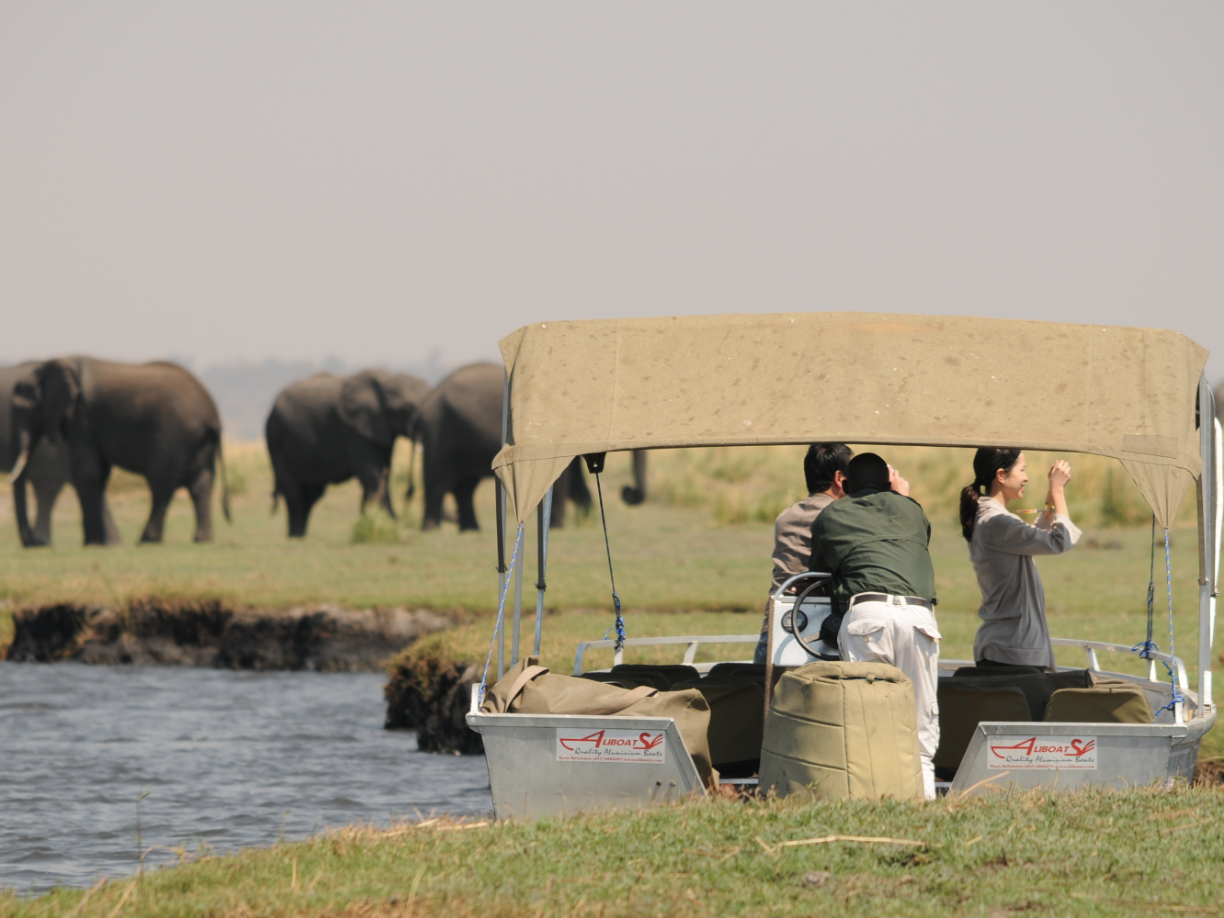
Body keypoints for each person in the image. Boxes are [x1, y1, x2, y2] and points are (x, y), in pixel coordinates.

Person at [810, 452, 940, 799]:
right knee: (921, 720)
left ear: (845, 485)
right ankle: (924, 798)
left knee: (868, 718)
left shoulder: (831, 514)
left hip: (866, 615)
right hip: (918, 616)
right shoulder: (912, 509)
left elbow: (820, 571)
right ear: (888, 483)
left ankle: (871, 800)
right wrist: (900, 494)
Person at [960, 449, 1080, 672]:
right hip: (1013, 651)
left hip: (1006, 648)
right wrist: (1057, 490)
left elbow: (1033, 537)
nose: (1026, 478)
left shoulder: (989, 518)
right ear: (1001, 475)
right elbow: (1060, 540)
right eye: (1022, 470)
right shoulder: (996, 522)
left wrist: (1049, 499)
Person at [753, 443, 852, 664]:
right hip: (821, 631)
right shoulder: (843, 518)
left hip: (776, 627)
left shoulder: (786, 516)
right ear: (839, 478)